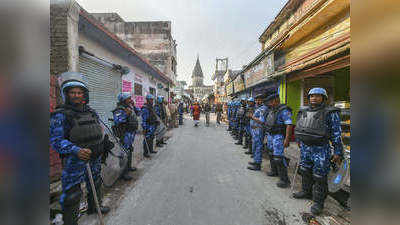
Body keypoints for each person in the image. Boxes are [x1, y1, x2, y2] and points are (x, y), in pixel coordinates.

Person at [50, 72, 111, 225]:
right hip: (74, 161)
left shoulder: (91, 112)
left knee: (96, 183)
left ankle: (93, 207)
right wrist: (76, 150)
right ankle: (70, 221)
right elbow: (56, 141)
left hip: (94, 157)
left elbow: (98, 129)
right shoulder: (60, 115)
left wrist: (103, 142)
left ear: (84, 94)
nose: (76, 95)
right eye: (72, 92)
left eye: (79, 92)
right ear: (67, 94)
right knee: (72, 193)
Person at [293, 87, 343, 215]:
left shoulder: (330, 113)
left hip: (321, 149)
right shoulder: (304, 110)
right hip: (305, 147)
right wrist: (299, 140)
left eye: (317, 96)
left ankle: (318, 202)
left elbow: (336, 133)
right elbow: (300, 126)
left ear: (324, 98)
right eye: (311, 96)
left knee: (320, 176)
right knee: (305, 170)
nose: (313, 98)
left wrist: (338, 152)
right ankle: (306, 191)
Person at [264, 93, 293, 188]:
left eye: (271, 101)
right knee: (271, 153)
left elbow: (289, 125)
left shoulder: (284, 110)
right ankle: (274, 171)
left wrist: (287, 139)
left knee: (278, 157)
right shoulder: (272, 110)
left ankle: (285, 180)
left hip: (278, 136)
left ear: (276, 101)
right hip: (271, 135)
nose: (269, 103)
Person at [112, 92, 139, 181]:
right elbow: (117, 121)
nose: (130, 100)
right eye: (129, 98)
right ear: (123, 100)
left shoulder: (129, 107)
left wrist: (134, 106)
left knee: (129, 150)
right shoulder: (119, 110)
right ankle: (123, 173)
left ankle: (129, 167)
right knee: (124, 152)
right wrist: (125, 114)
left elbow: (138, 113)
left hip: (131, 132)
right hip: (124, 133)